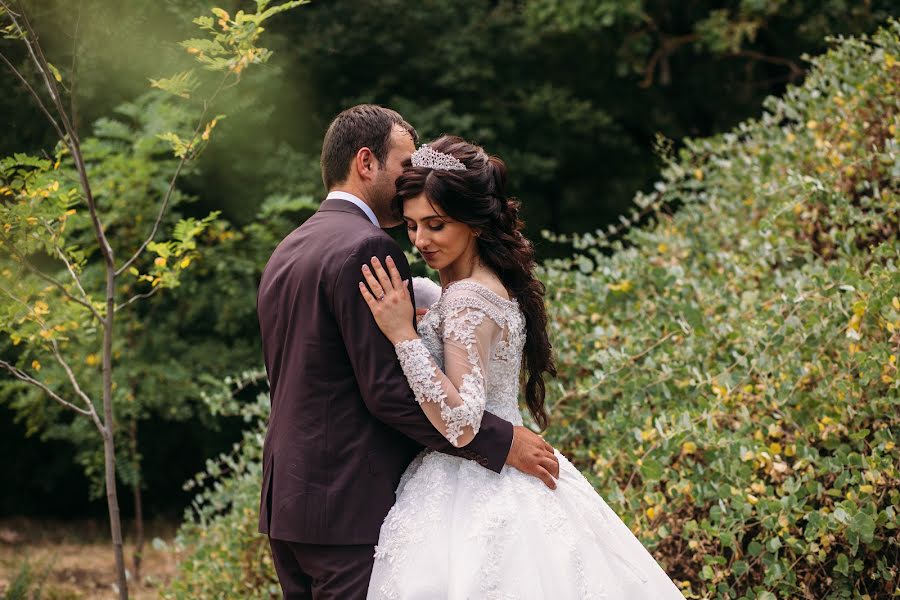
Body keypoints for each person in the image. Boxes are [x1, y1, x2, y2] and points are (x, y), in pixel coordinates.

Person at [359, 135, 686, 599]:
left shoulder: (468, 298)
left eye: (436, 225)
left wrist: (403, 334)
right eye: (411, 226)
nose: (420, 240)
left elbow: (459, 418)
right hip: (501, 474)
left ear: (472, 223)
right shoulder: (479, 287)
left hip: (471, 490)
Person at [256, 106, 559, 599]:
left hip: (289, 502)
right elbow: (388, 394)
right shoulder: (368, 248)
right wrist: (502, 442)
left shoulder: (290, 248)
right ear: (366, 162)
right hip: (348, 504)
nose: (409, 179)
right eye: (403, 164)